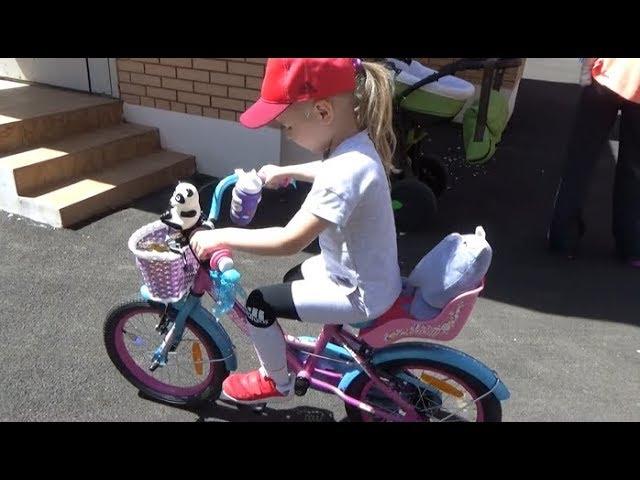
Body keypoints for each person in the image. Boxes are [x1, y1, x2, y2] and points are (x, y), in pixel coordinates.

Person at [190, 58, 403, 403]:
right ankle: (326, 340)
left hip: (359, 293)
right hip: (369, 276)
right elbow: (329, 169)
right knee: (294, 277)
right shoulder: (356, 147)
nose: (287, 133)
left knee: (259, 305)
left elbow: (290, 240)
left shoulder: (343, 174)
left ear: (322, 113)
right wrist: (287, 170)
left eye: (287, 126)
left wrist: (220, 236)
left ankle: (275, 381)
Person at [548, 58, 640, 266]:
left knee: (581, 158)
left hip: (607, 73)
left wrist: (587, 66)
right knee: (635, 167)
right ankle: (632, 245)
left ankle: (563, 236)